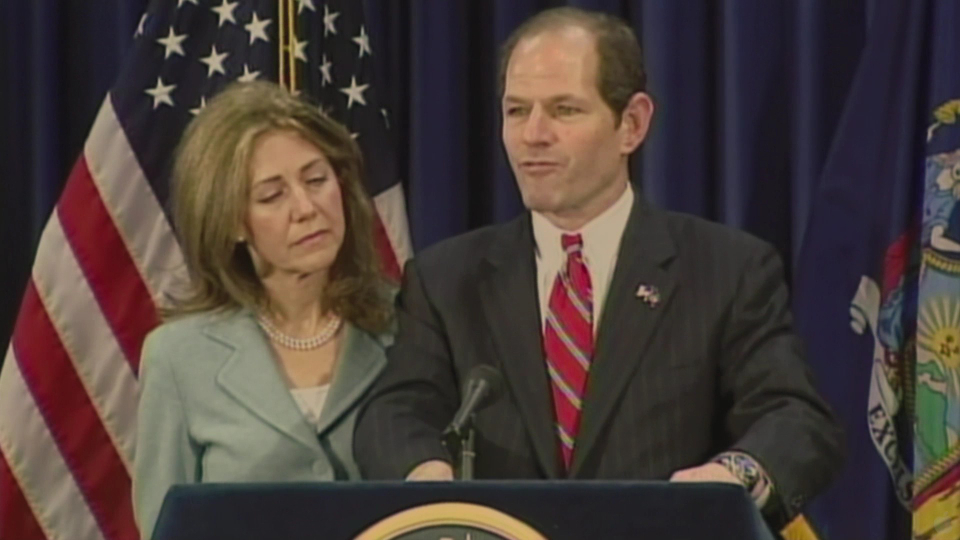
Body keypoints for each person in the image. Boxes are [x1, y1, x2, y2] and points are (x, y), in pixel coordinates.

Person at [353, 6, 843, 530]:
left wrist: (731, 476)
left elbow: (795, 418)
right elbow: (393, 413)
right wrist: (426, 472)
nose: (532, 135)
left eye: (564, 110)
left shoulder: (726, 269)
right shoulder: (447, 278)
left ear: (631, 124)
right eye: (516, 111)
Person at [133, 81, 393, 538]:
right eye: (272, 196)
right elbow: (164, 527)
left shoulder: (409, 323)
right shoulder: (177, 358)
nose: (306, 208)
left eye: (316, 180)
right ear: (232, 222)